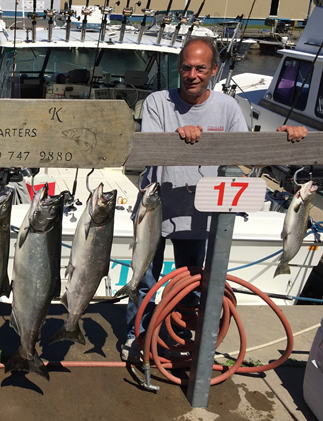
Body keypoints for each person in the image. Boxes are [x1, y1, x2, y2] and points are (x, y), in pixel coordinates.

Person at [121, 36, 308, 362]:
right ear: (179, 69)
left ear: (214, 71)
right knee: (143, 280)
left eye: (200, 68)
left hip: (199, 212)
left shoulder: (227, 106)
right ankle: (136, 336)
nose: (192, 74)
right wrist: (177, 138)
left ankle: (180, 336)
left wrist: (283, 141)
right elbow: (151, 146)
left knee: (191, 283)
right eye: (186, 68)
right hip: (155, 209)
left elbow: (244, 151)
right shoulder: (156, 102)